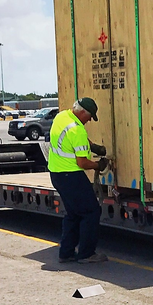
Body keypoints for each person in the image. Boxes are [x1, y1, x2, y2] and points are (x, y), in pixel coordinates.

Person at [48, 96, 110, 264]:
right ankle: (86, 254)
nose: (89, 121)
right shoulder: (78, 130)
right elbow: (82, 162)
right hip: (71, 176)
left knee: (74, 214)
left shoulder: (62, 117)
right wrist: (98, 165)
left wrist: (93, 146)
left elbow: (74, 139)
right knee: (91, 212)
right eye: (89, 117)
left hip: (57, 174)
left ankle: (66, 252)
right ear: (82, 112)